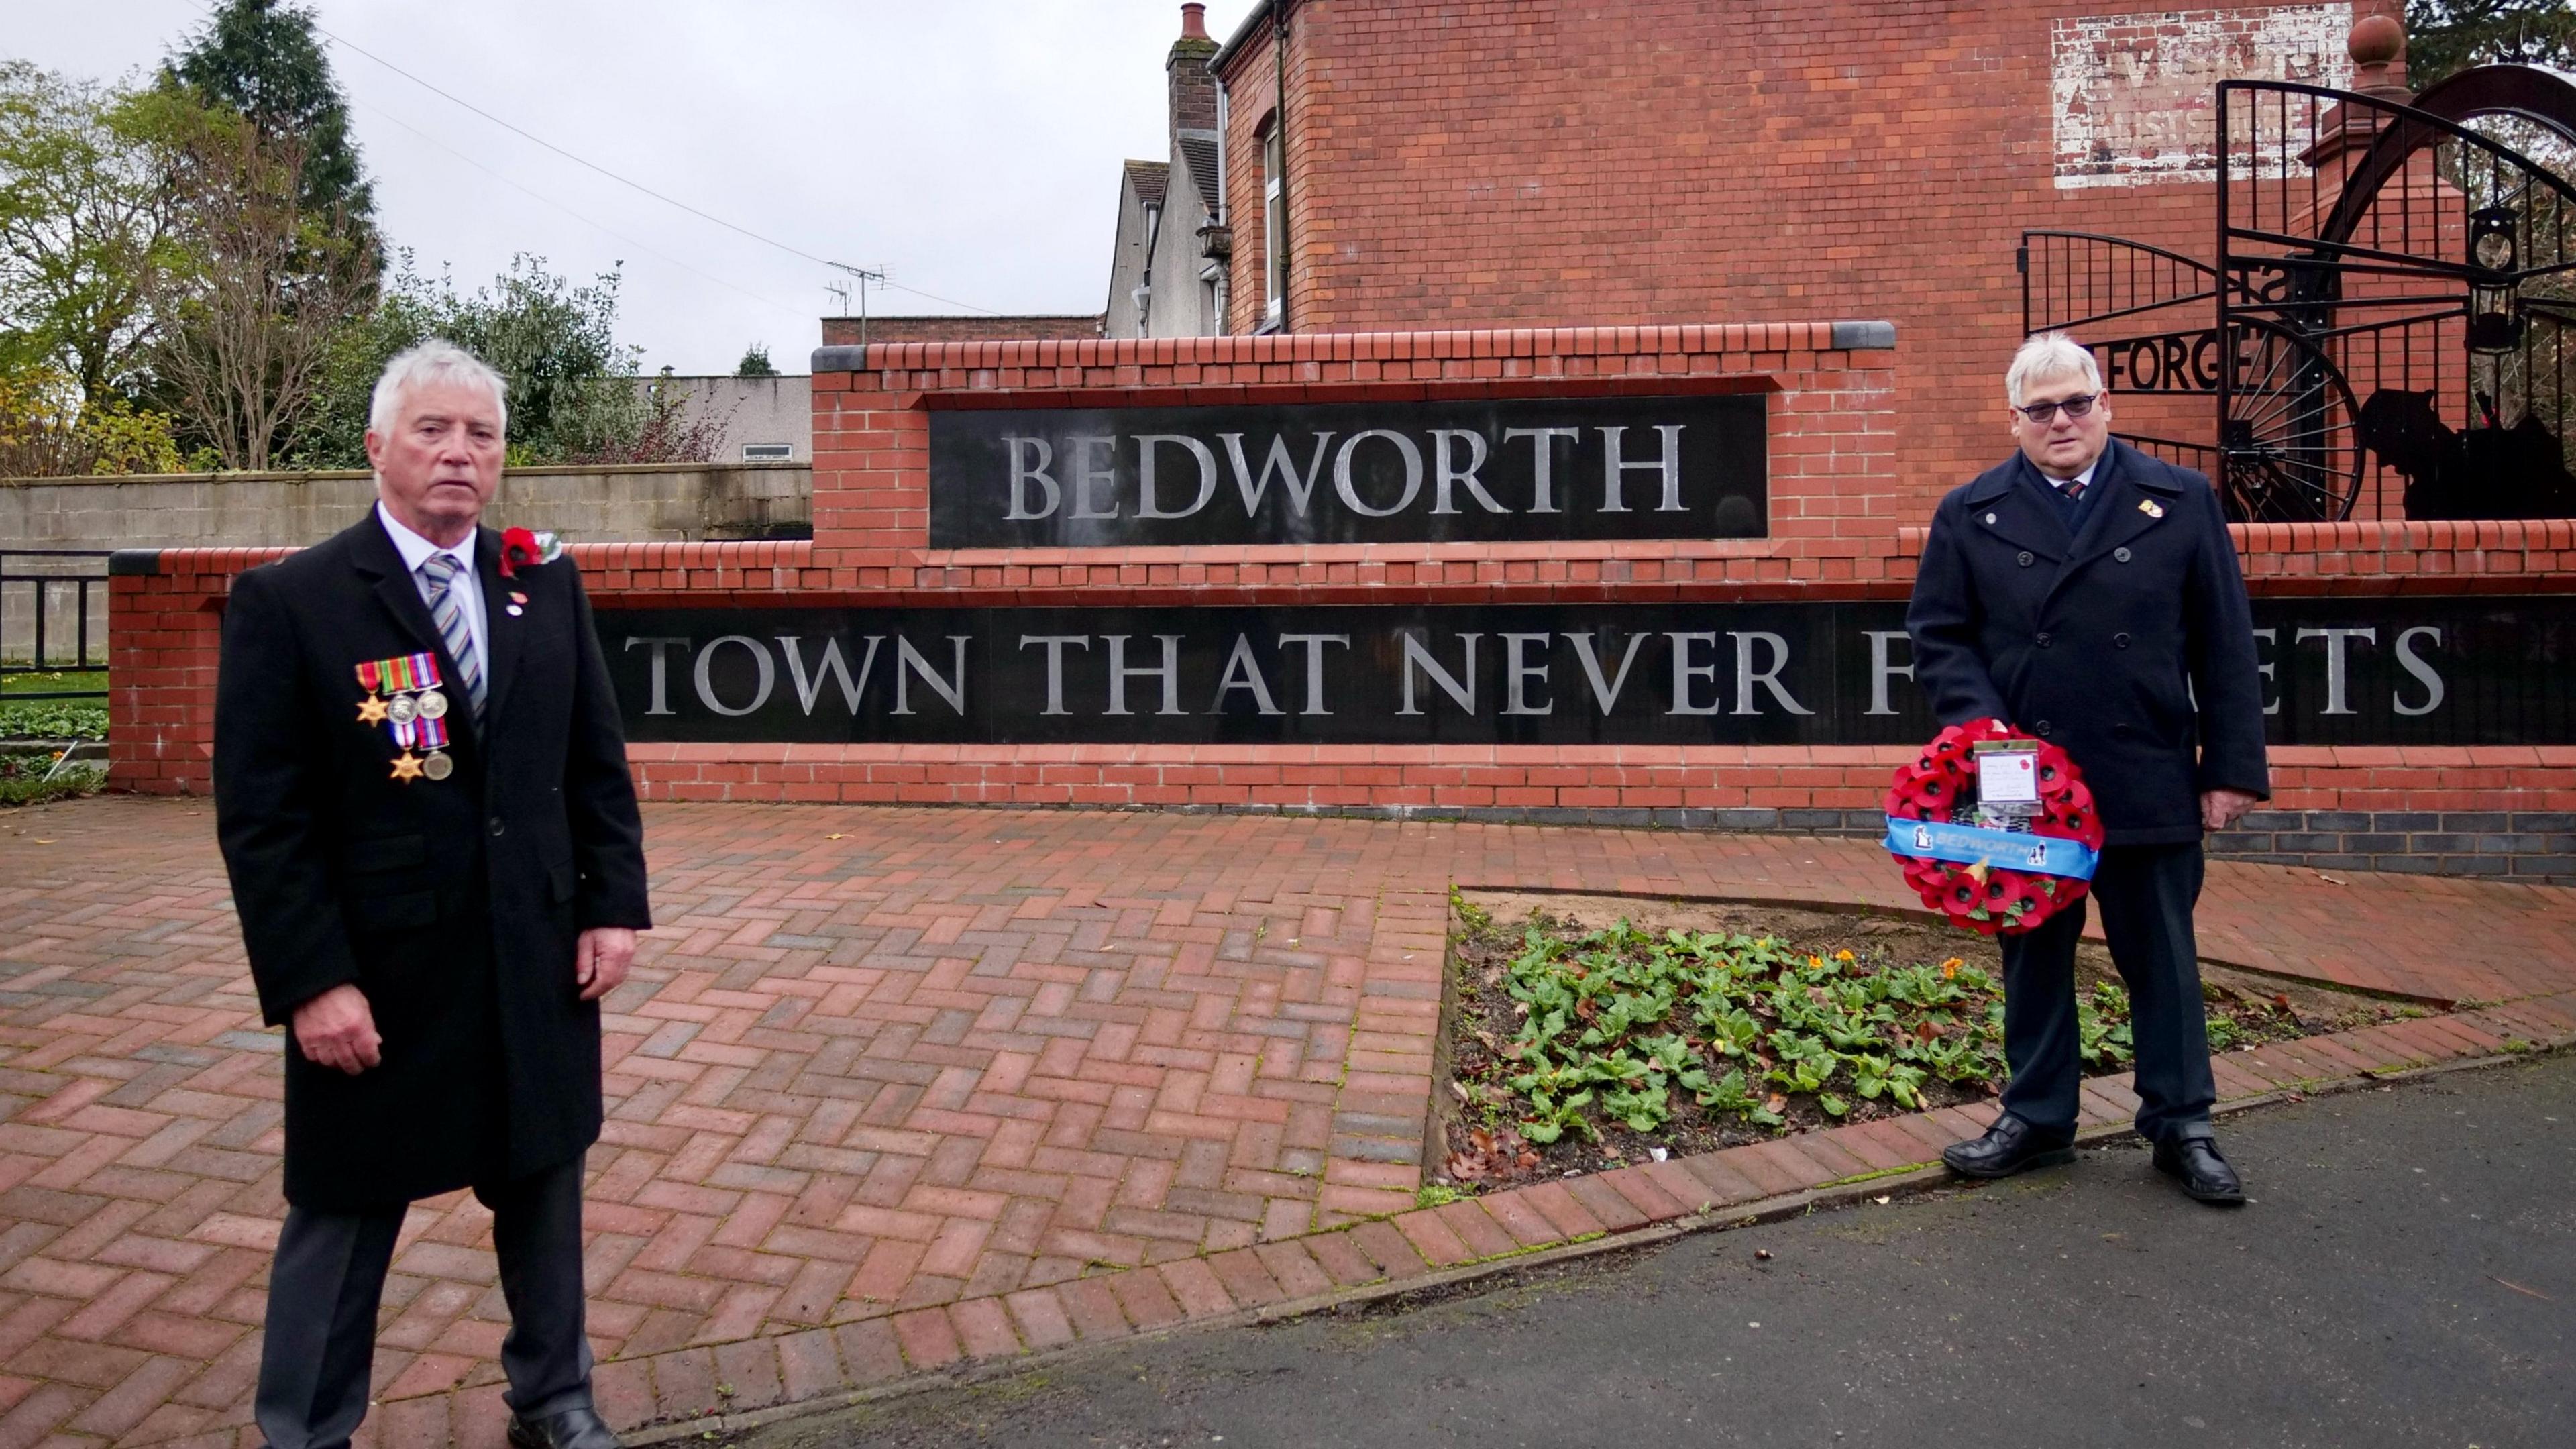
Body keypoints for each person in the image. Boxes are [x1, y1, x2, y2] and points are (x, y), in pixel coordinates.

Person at [214, 340, 650, 1449]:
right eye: (433, 430)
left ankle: (554, 1399)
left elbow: (593, 761)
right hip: (384, 971)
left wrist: (611, 905)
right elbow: (266, 821)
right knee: (348, 1208)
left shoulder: (538, 578)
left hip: (534, 949)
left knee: (545, 1183)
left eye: (482, 435)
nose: (460, 453)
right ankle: (306, 1429)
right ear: (377, 448)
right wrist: (313, 982)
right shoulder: (294, 602)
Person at [1904, 330, 2269, 1207]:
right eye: (2041, 409)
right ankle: (2036, 1115)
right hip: (2017, 775)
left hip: (2144, 761)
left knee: (2164, 954)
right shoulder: (1971, 511)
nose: (2061, 421)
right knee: (2032, 951)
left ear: (2104, 406)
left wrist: (2230, 769)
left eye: (2076, 403)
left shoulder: (2177, 500)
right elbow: (1939, 636)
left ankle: (2183, 1122)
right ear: (2016, 421)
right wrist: (1985, 731)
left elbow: (2223, 641)